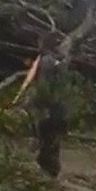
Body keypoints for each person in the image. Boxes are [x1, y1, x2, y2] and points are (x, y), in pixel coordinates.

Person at [12, 32, 68, 178]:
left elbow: (43, 86)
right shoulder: (60, 61)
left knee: (46, 139)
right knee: (52, 140)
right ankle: (51, 169)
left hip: (48, 107)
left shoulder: (46, 61)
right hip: (58, 107)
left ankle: (48, 170)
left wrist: (33, 103)